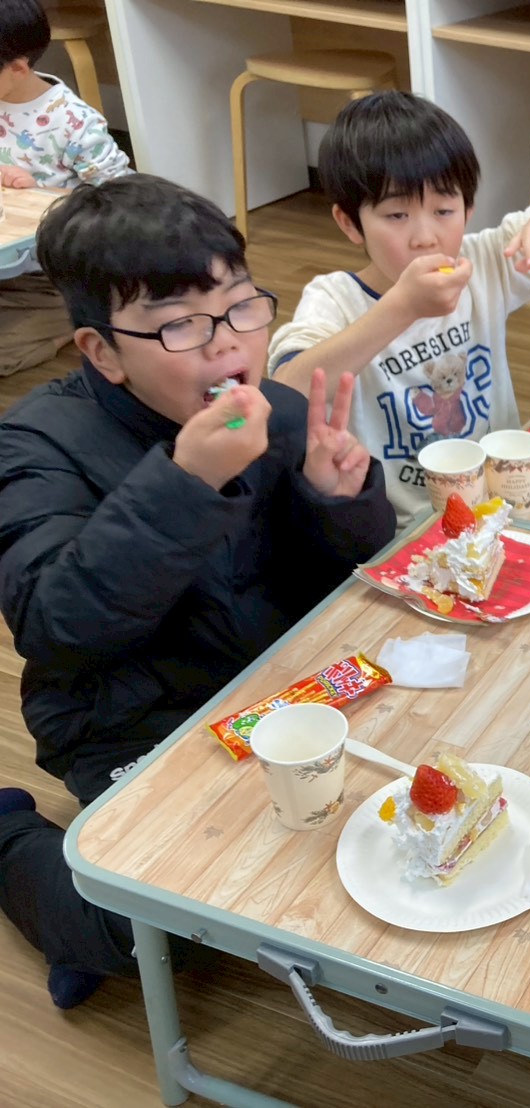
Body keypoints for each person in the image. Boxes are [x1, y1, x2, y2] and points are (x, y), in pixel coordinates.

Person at [0, 174, 397, 1008]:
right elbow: (56, 625)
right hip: (126, 715)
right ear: (101, 352)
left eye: (241, 306)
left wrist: (338, 501)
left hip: (268, 684)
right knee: (163, 931)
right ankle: (20, 848)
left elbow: (335, 583)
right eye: (179, 323)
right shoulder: (34, 443)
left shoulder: (274, 410)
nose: (226, 344)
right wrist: (187, 481)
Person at [267, 90, 530, 528]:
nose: (426, 236)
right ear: (349, 223)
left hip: (501, 505)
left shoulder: (484, 261)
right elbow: (285, 394)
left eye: (444, 210)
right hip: (403, 531)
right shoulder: (334, 299)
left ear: (469, 208)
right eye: (396, 215)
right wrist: (400, 309)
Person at [0, 0, 131, 376]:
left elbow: (120, 200)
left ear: (18, 68)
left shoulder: (72, 123)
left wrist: (41, 192)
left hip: (53, 276)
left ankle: (72, 322)